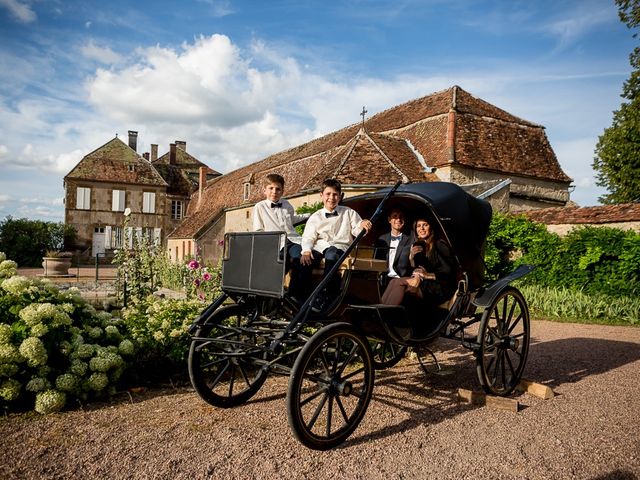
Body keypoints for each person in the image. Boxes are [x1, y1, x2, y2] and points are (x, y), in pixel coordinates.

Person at [300, 178, 372, 311]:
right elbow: (308, 236)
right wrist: (306, 250)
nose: (331, 198)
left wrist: (362, 224)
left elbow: (357, 230)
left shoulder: (348, 212)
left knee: (332, 254)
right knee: (306, 260)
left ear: (340, 196)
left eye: (335, 194)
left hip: (340, 247)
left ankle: (328, 294)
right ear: (321, 196)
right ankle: (303, 297)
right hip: (321, 246)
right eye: (328, 194)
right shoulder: (315, 217)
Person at [252, 173, 309, 299]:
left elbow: (292, 220)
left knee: (300, 259)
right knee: (278, 267)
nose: (274, 192)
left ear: (282, 191)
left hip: (293, 240)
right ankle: (271, 299)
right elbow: (258, 230)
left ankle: (295, 296)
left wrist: (310, 215)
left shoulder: (287, 205)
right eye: (271, 188)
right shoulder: (259, 207)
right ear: (265, 190)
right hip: (276, 243)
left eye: (278, 189)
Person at [380, 216, 457, 309]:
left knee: (399, 283)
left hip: (440, 286)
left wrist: (427, 275)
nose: (421, 228)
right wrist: (411, 258)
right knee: (393, 281)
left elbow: (449, 274)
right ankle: (381, 311)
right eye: (418, 226)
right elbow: (416, 269)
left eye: (425, 225)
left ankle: (385, 313)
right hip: (425, 283)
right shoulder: (419, 245)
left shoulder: (440, 245)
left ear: (431, 227)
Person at [374, 207, 414, 289]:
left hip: (401, 280)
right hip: (383, 280)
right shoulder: (382, 239)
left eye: (401, 217)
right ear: (389, 220)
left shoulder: (411, 239)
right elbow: (377, 260)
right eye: (395, 216)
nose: (398, 219)